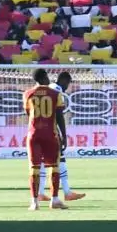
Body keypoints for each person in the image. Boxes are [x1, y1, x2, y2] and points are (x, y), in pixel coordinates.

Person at [39, 71, 86, 203]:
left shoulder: (47, 89)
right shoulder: (57, 92)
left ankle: (40, 192)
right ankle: (67, 192)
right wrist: (63, 135)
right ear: (65, 81)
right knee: (61, 161)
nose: (68, 86)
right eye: (68, 83)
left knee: (42, 162)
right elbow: (58, 115)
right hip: (51, 131)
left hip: (39, 129)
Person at [24, 69, 66, 211]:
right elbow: (60, 116)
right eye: (47, 76)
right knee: (54, 166)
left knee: (34, 168)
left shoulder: (27, 94)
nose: (49, 79)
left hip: (33, 134)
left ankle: (34, 202)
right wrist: (64, 135)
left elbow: (28, 113)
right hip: (50, 134)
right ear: (43, 78)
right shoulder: (55, 94)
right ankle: (54, 200)